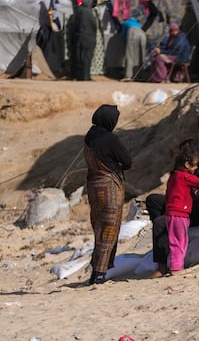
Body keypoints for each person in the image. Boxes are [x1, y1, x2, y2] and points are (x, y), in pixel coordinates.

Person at [146, 140, 199, 278]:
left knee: (166, 229)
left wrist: (190, 190)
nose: (195, 168)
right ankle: (176, 267)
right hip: (180, 213)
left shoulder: (180, 174)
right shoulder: (185, 176)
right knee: (179, 240)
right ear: (187, 164)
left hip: (196, 211)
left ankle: (165, 265)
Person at [83, 104, 132, 285]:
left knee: (99, 227)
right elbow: (127, 161)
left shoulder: (90, 135)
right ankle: (99, 273)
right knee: (109, 229)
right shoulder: (109, 138)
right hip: (110, 188)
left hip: (93, 187)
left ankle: (97, 269)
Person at [70, 0, 97, 81]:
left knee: (78, 56)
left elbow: (73, 24)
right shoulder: (90, 13)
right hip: (89, 38)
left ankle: (78, 75)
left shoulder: (77, 12)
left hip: (78, 37)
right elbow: (94, 26)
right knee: (87, 57)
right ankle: (86, 76)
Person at [120, 17, 147, 82]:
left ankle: (128, 76)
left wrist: (125, 43)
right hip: (142, 34)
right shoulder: (139, 24)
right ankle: (139, 75)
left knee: (129, 55)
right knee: (141, 55)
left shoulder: (125, 23)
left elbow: (123, 34)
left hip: (132, 33)